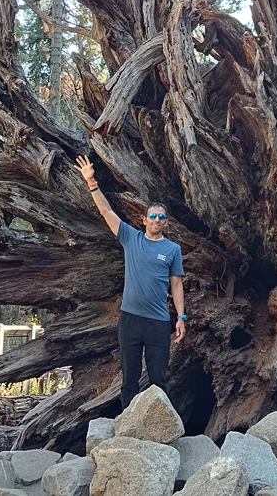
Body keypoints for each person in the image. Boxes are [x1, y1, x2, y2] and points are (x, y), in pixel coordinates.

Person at [76, 155, 186, 409]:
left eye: (161, 217)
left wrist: (181, 318)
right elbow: (106, 211)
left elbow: (177, 285)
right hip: (130, 320)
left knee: (159, 380)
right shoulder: (130, 238)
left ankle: (159, 430)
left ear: (166, 223)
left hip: (159, 322)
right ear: (144, 220)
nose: (156, 220)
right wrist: (91, 182)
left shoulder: (172, 250)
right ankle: (127, 431)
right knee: (130, 380)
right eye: (152, 216)